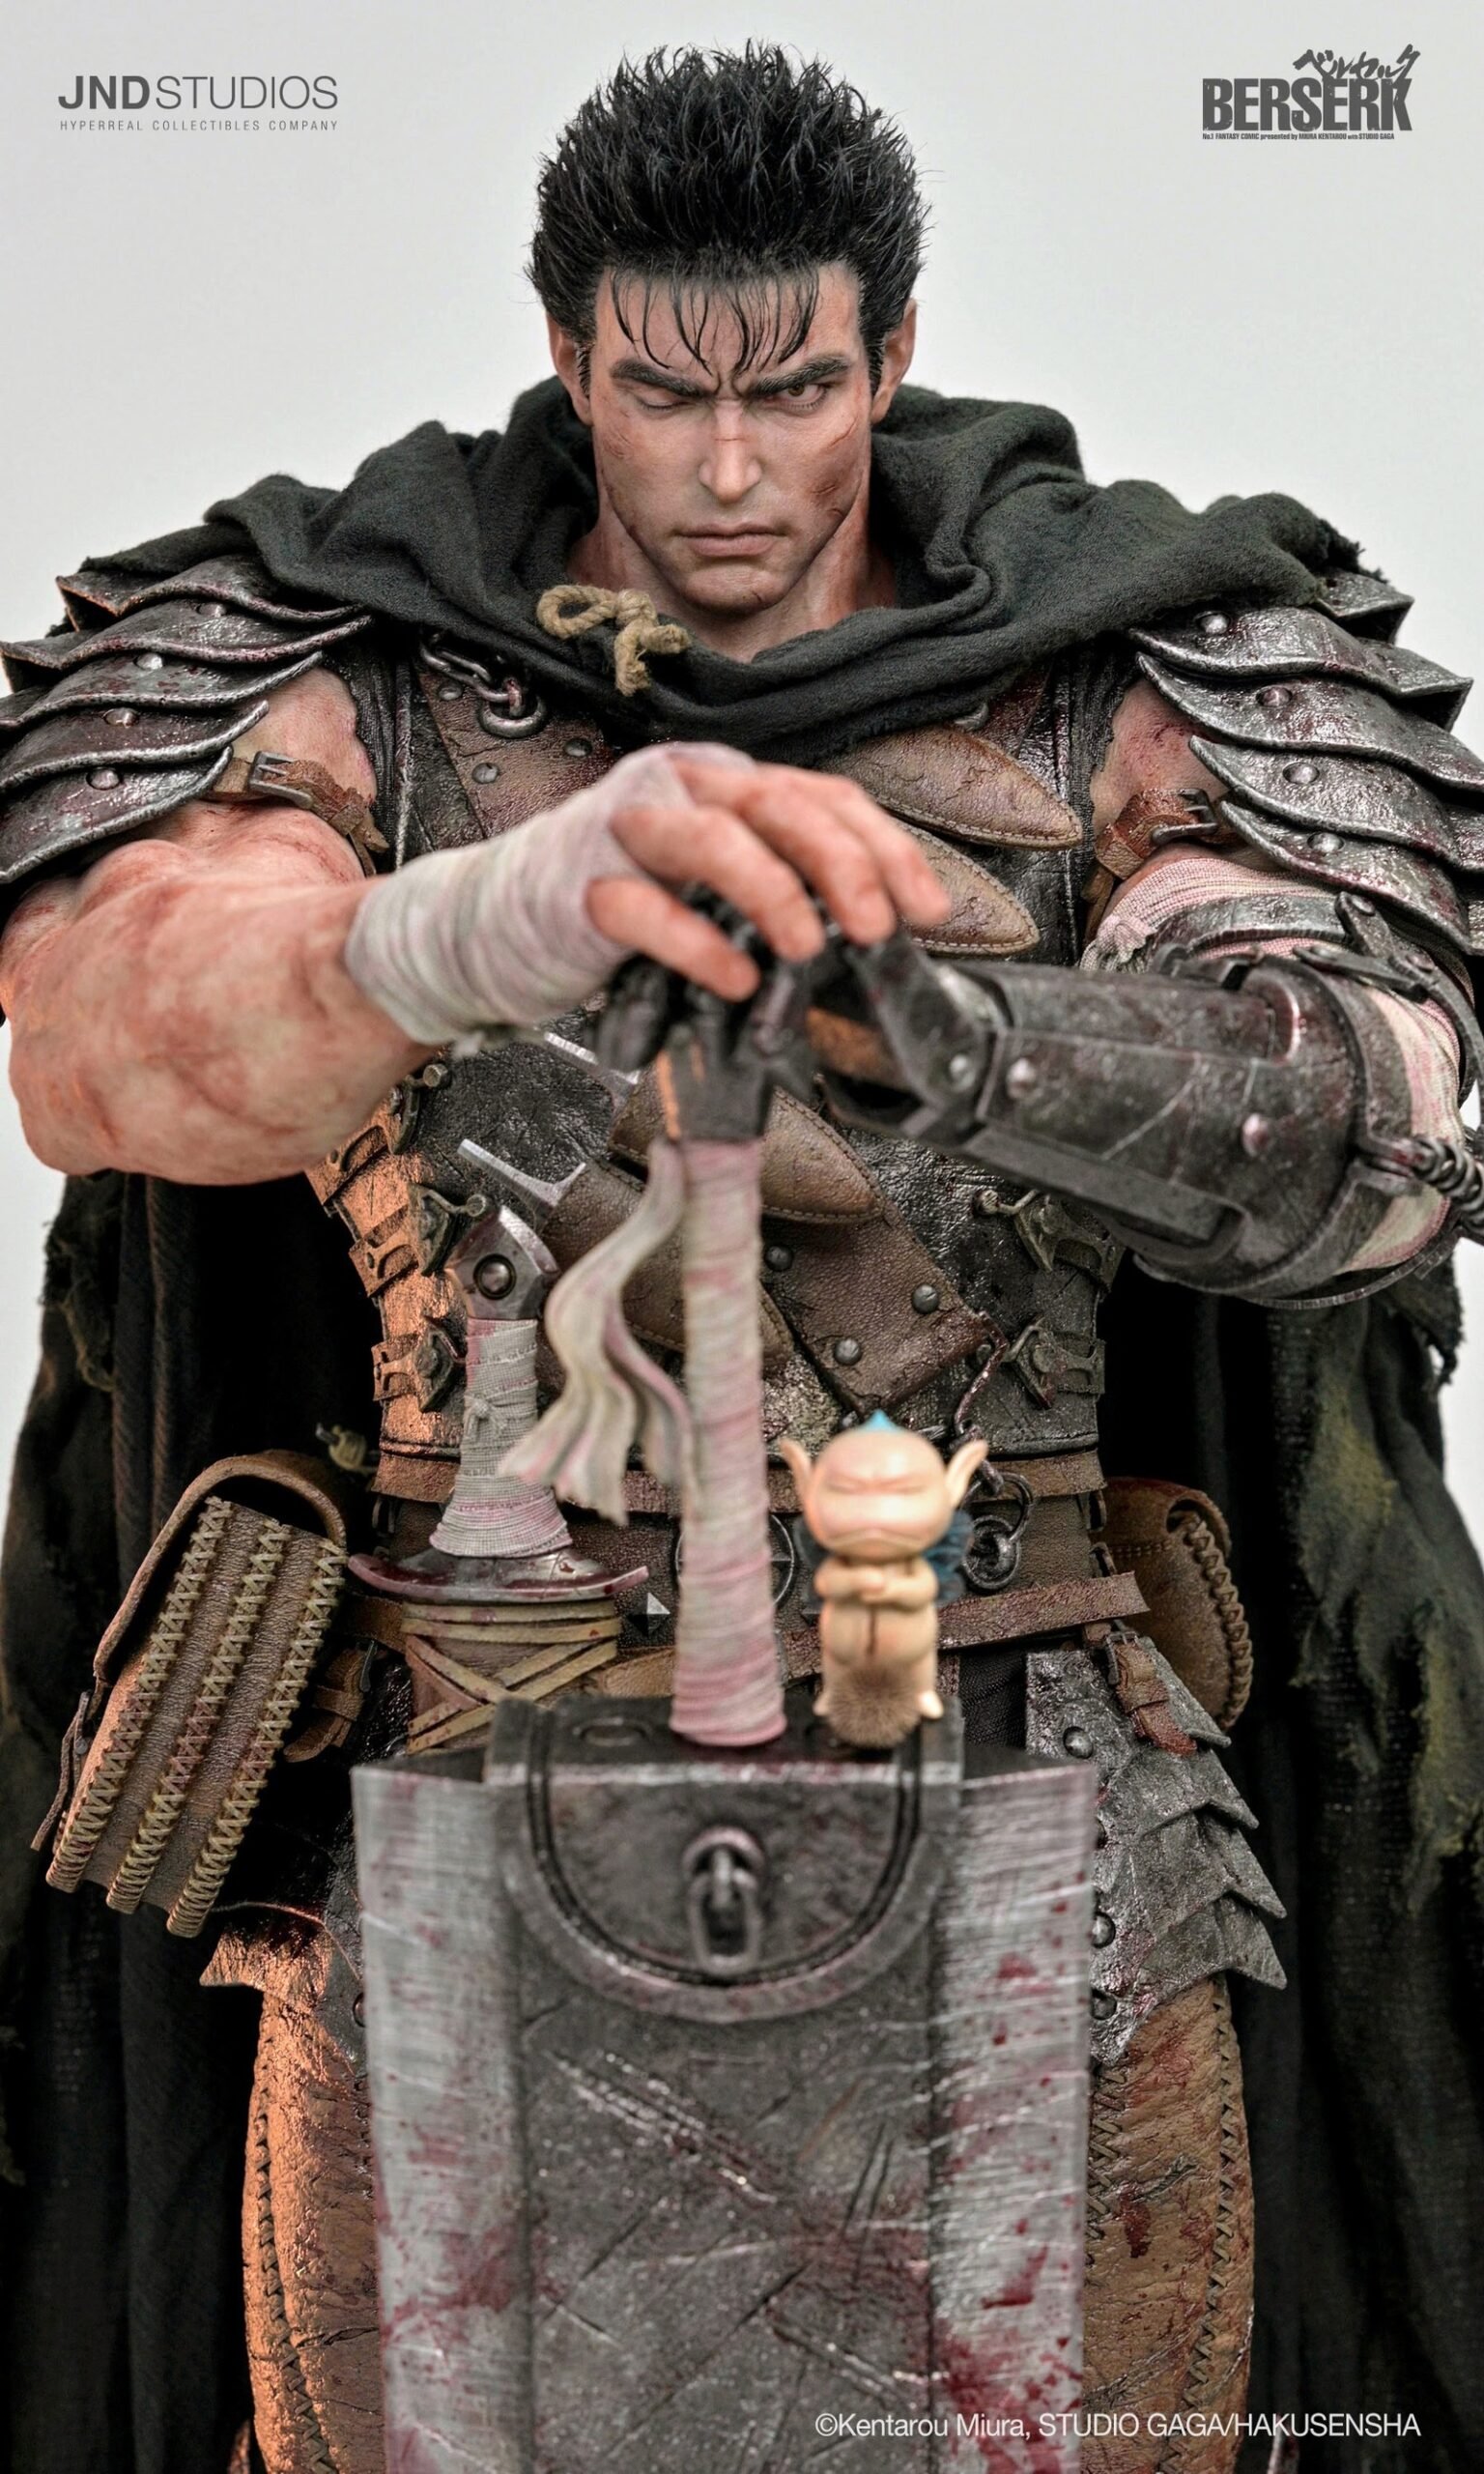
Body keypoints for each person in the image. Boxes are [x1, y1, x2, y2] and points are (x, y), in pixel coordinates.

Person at [2, 45, 1481, 2474]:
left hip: (1026, 1769)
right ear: (566, 354)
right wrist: (482, 915)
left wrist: (957, 1032)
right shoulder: (352, 652)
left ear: (888, 357)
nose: (719, 469)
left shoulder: (1131, 668)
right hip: (457, 1771)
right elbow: (100, 1038)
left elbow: (1375, 1120)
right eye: (660, 392)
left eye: (787, 389)